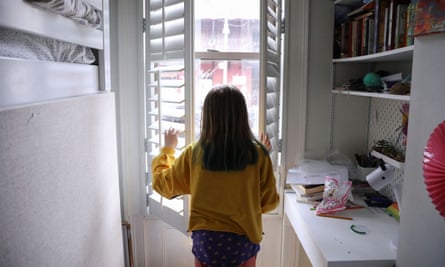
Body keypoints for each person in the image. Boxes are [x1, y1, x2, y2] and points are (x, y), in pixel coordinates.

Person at [151, 84, 280, 267]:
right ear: (242, 115)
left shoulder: (194, 153)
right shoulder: (257, 154)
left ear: (208, 117)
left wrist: (168, 149)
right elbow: (268, 203)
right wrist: (262, 159)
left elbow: (163, 185)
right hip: (242, 241)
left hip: (207, 241)